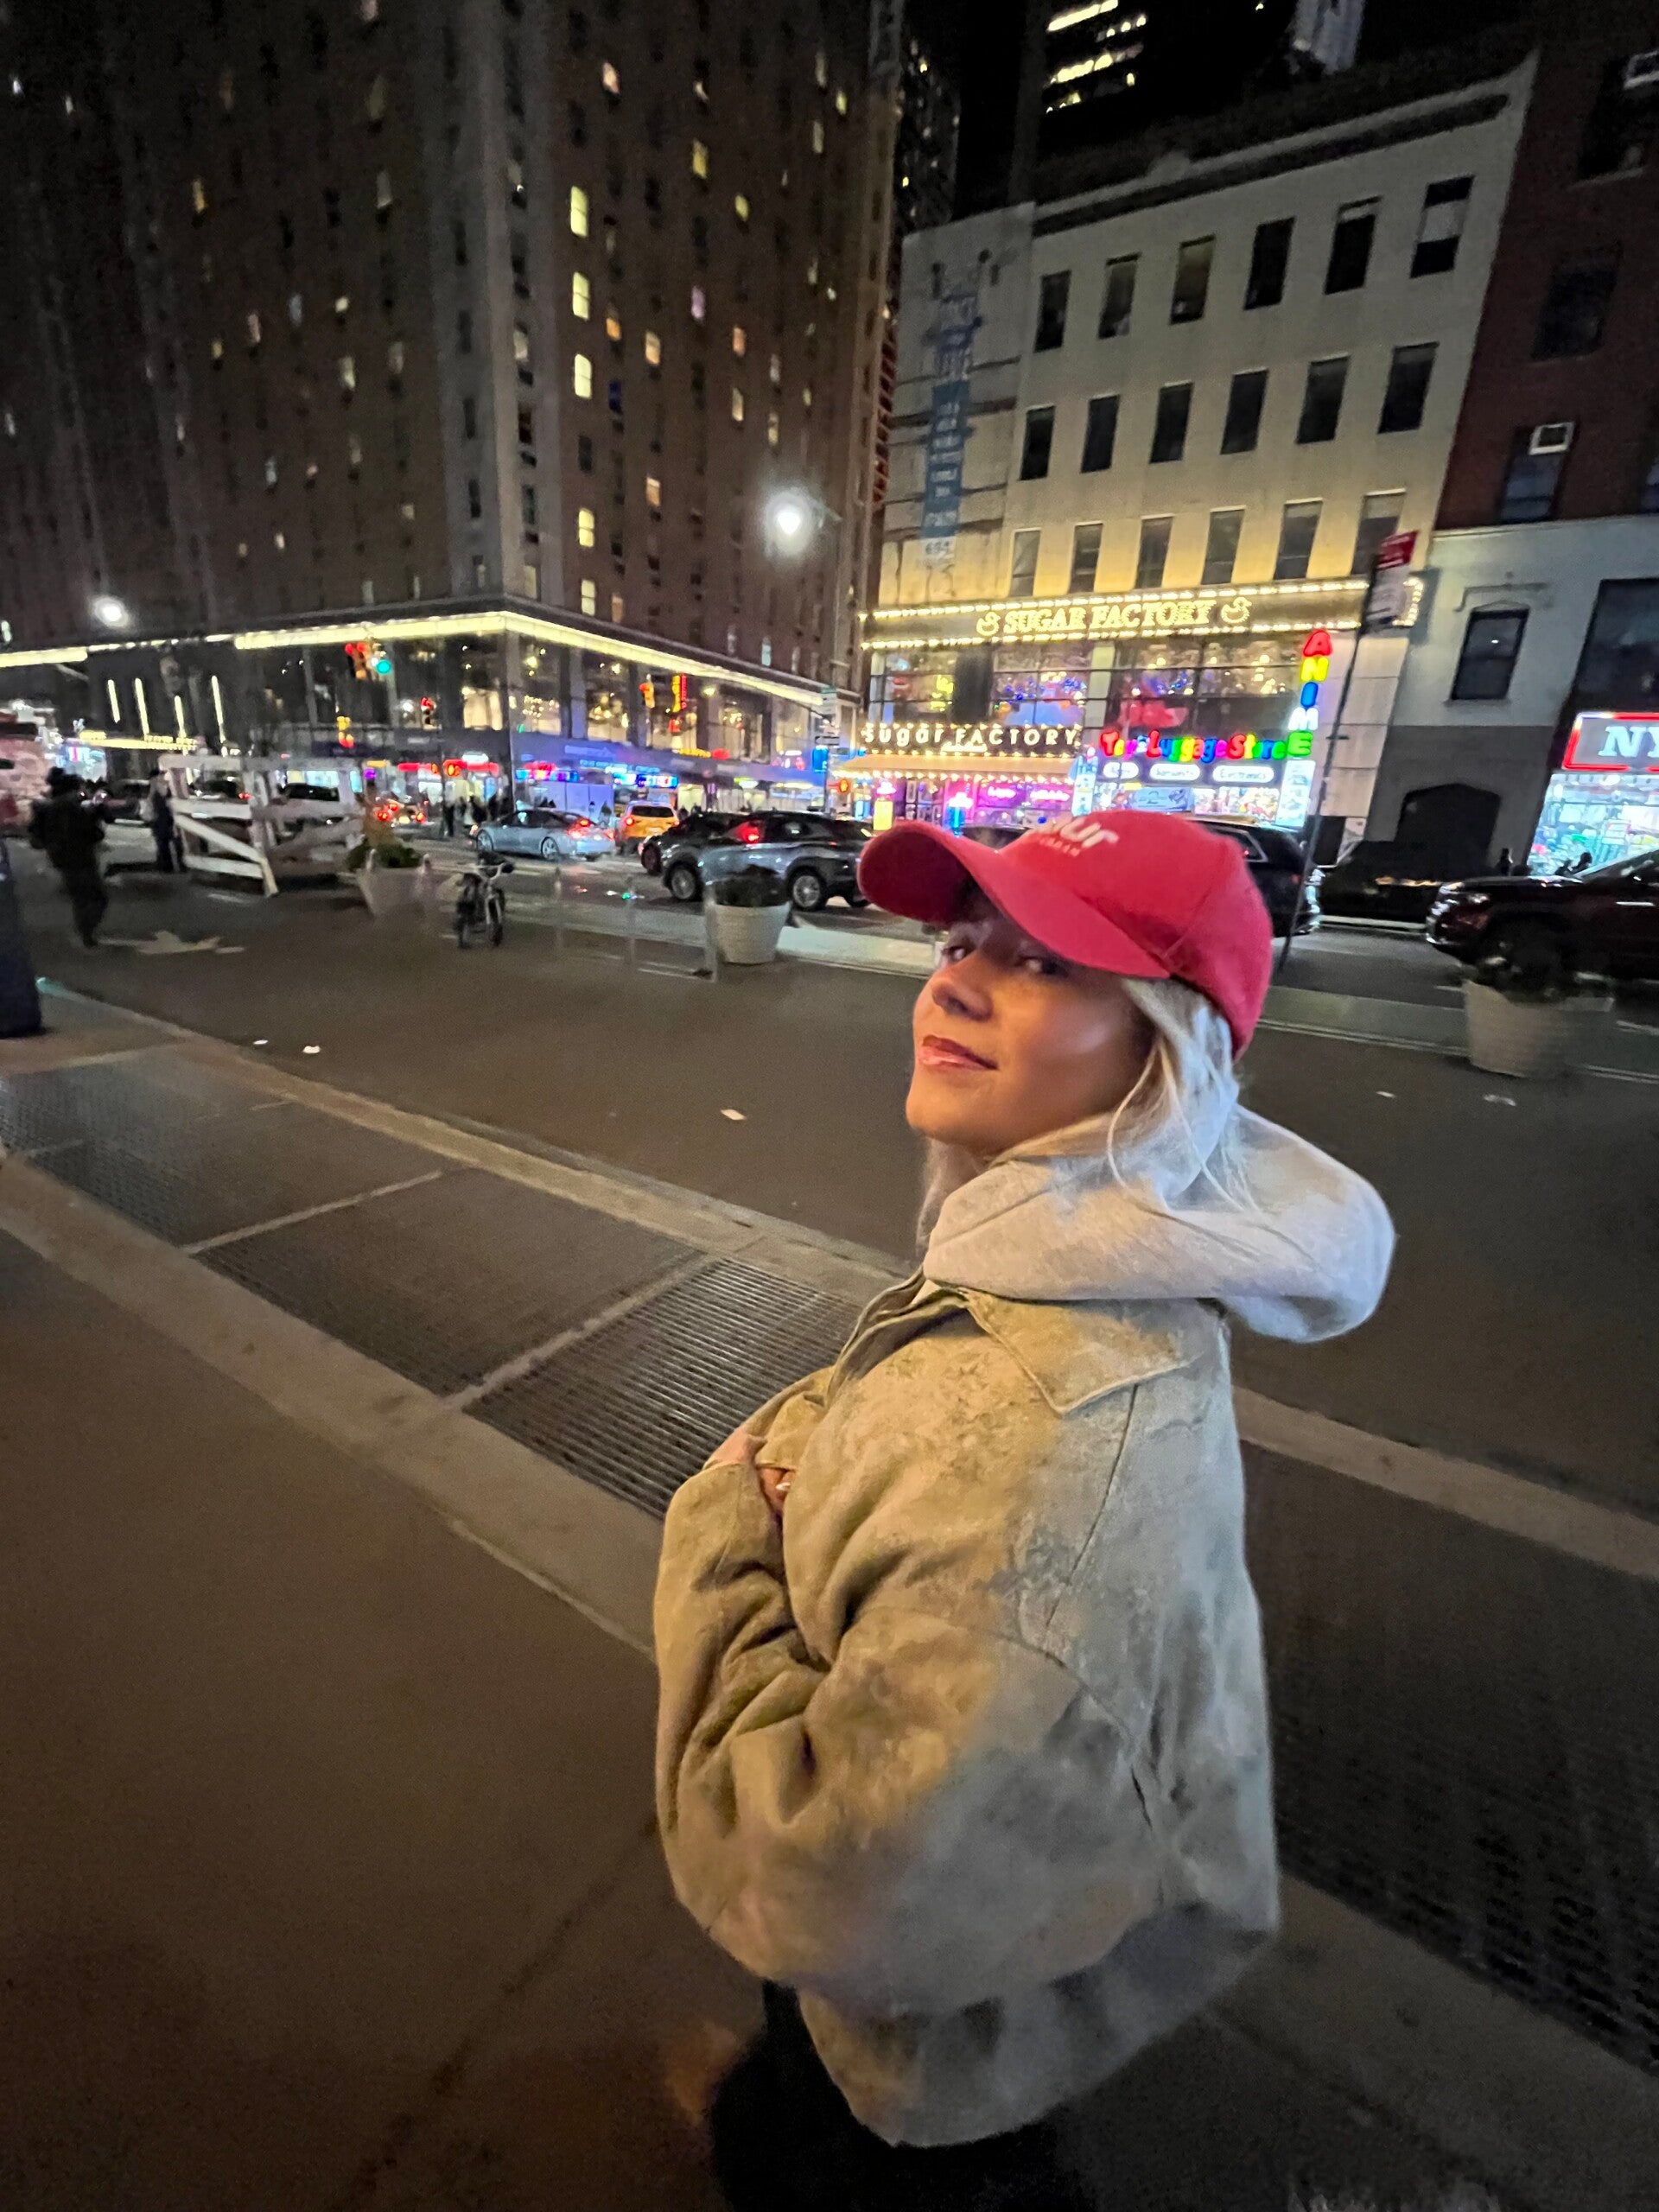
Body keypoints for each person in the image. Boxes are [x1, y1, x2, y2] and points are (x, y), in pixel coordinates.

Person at [655, 812, 1393, 2211]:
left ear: (1166, 1053)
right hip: (993, 1963)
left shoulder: (1041, 1455)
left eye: (1046, 962)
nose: (957, 981)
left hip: (925, 2052)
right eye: (961, 940)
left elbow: (826, 1895)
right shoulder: (1086, 1260)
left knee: (860, 2159)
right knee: (806, 2099)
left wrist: (735, 1521)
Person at [30, 769, 109, 947]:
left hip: (64, 857)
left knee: (81, 897)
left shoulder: (55, 806)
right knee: (95, 897)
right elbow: (87, 832)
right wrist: (95, 818)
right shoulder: (70, 808)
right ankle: (86, 933)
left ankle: (85, 932)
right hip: (78, 857)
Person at [146, 772, 179, 873]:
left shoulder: (162, 790)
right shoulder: (156, 790)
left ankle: (168, 866)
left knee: (165, 844)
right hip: (161, 820)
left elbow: (168, 804)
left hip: (164, 820)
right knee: (163, 844)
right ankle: (166, 866)